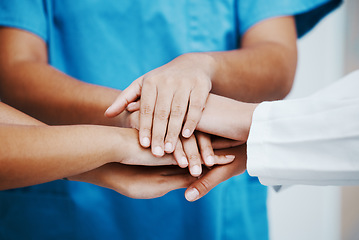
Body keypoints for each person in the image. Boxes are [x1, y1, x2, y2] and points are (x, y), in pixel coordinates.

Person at [0, 1, 341, 239]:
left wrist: (204, 66)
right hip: (66, 206)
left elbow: (276, 60)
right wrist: (138, 117)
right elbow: (14, 71)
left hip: (212, 197)